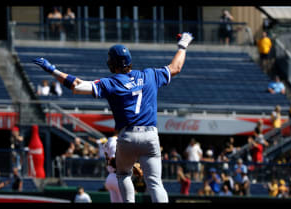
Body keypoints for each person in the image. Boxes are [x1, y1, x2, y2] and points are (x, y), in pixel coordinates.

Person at [33, 32, 194, 203]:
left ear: (113, 63)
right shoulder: (149, 74)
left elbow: (76, 86)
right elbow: (175, 68)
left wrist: (52, 70)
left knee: (123, 174)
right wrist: (182, 46)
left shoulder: (111, 82)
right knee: (155, 183)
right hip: (150, 134)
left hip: (128, 136)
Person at [102, 135, 122, 202]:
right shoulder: (115, 141)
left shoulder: (107, 142)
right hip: (118, 176)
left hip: (111, 175)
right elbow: (113, 160)